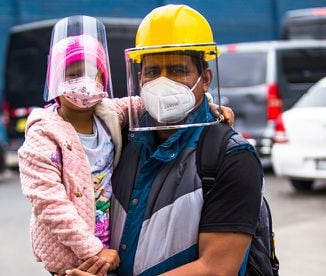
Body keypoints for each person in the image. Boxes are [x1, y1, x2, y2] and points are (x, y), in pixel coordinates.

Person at [18, 14, 234, 275]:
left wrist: (209, 104)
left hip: (108, 252)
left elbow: (159, 99)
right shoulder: (42, 136)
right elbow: (49, 204)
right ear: (54, 81)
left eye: (92, 74)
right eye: (72, 74)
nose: (84, 83)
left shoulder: (108, 113)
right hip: (73, 254)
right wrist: (91, 249)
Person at [102, 4, 263, 276]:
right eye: (152, 72)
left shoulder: (231, 157)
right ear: (139, 77)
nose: (163, 83)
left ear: (205, 79)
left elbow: (217, 269)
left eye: (178, 70)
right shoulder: (122, 142)